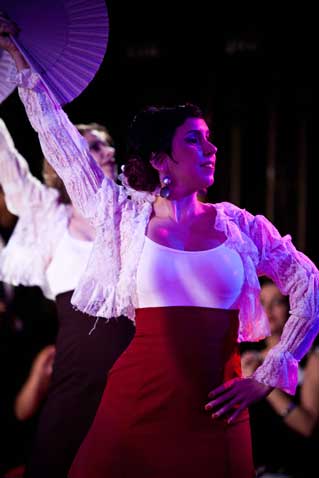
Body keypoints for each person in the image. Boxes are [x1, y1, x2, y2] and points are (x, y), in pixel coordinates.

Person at [1, 19, 319, 478]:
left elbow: (308, 281)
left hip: (220, 408)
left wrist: (267, 377)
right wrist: (19, 57)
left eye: (210, 137)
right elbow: (60, 140)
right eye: (194, 138)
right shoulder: (124, 217)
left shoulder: (241, 226)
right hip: (136, 398)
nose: (210, 147)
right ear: (158, 158)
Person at [0, 115, 134, 478]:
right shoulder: (49, 217)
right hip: (76, 379)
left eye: (108, 144)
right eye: (94, 145)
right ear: (64, 160)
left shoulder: (135, 216)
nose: (108, 151)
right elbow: (9, 165)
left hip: (133, 377)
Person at [241, 279, 319, 477]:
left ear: (292, 308)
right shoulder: (247, 358)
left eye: (277, 302)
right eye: (262, 302)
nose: (267, 310)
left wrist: (262, 382)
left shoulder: (309, 358)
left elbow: (306, 425)